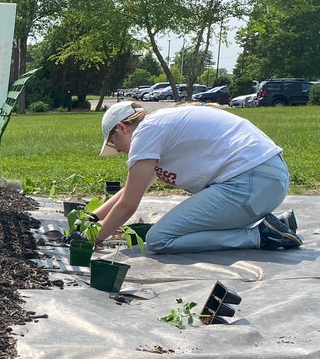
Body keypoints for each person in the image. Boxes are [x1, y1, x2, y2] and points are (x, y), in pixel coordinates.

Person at [92, 100, 302, 254]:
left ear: (121, 128)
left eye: (114, 144)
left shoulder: (146, 132)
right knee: (171, 232)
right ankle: (277, 225)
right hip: (268, 180)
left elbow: (129, 205)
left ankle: (262, 235)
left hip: (249, 182)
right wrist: (93, 217)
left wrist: (94, 238)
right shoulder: (159, 126)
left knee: (159, 239)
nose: (119, 151)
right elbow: (132, 189)